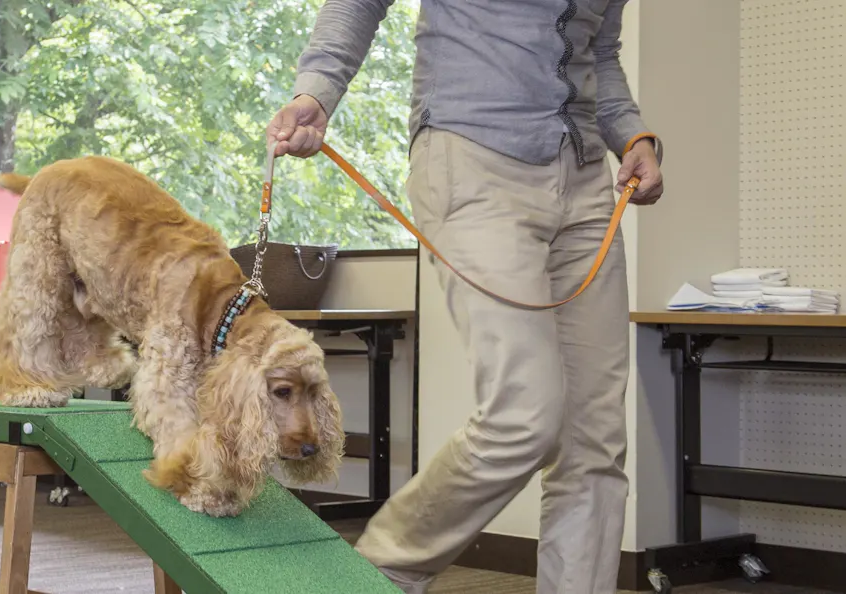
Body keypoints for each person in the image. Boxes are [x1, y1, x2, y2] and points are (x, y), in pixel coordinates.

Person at [266, 1, 663, 593]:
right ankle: (380, 571)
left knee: (595, 439)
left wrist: (631, 133)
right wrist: (317, 91)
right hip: (474, 158)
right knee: (525, 416)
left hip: (583, 180)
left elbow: (599, 52)